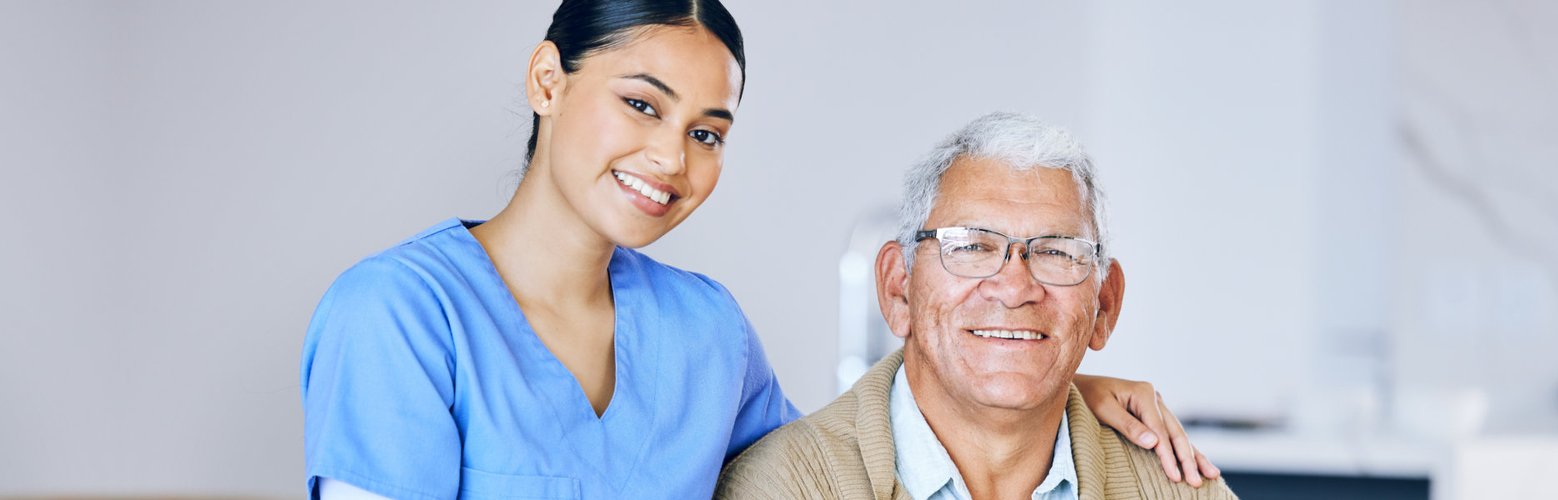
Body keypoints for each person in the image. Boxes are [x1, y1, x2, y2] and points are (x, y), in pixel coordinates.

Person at [301, 2, 1216, 498]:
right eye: (642, 103)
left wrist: (1040, 383)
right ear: (549, 79)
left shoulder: (704, 329)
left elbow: (850, 458)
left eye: (708, 132)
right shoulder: (398, 316)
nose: (670, 157)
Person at [716, 113, 1238, 499]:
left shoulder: (1177, 487)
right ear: (899, 289)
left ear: (1104, 305)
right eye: (971, 247)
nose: (1014, 288)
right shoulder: (788, 486)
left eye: (1056, 251)